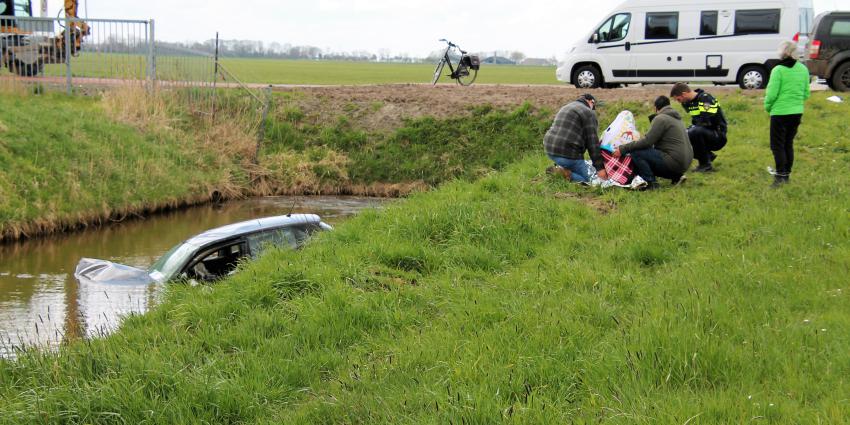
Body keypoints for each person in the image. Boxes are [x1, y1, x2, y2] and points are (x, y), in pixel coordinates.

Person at [613, 96, 693, 190]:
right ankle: (676, 177)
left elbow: (647, 142)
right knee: (649, 154)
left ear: (655, 108)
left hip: (674, 162)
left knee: (636, 152)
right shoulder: (676, 118)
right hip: (684, 163)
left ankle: (650, 182)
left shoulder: (661, 118)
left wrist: (623, 148)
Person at [765, 41, 811, 187]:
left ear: (782, 53)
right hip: (797, 112)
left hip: (780, 112)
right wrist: (796, 103)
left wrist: (768, 107)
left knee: (777, 145)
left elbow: (771, 94)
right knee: (788, 143)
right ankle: (787, 174)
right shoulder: (803, 69)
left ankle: (780, 176)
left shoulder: (778, 70)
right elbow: (806, 93)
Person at [543, 94, 608, 183]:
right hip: (568, 153)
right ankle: (563, 174)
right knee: (590, 180)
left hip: (549, 149)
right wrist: (600, 168)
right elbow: (592, 143)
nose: (593, 109)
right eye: (594, 106)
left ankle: (561, 168)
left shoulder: (566, 107)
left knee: (570, 164)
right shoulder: (589, 113)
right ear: (590, 101)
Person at [670, 82, 727, 172]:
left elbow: (706, 123)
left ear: (684, 94)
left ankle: (705, 165)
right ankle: (707, 156)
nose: (679, 102)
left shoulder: (705, 99)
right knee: (680, 136)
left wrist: (689, 130)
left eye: (679, 99)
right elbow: (697, 123)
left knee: (694, 132)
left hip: (718, 135)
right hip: (702, 131)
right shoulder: (687, 103)